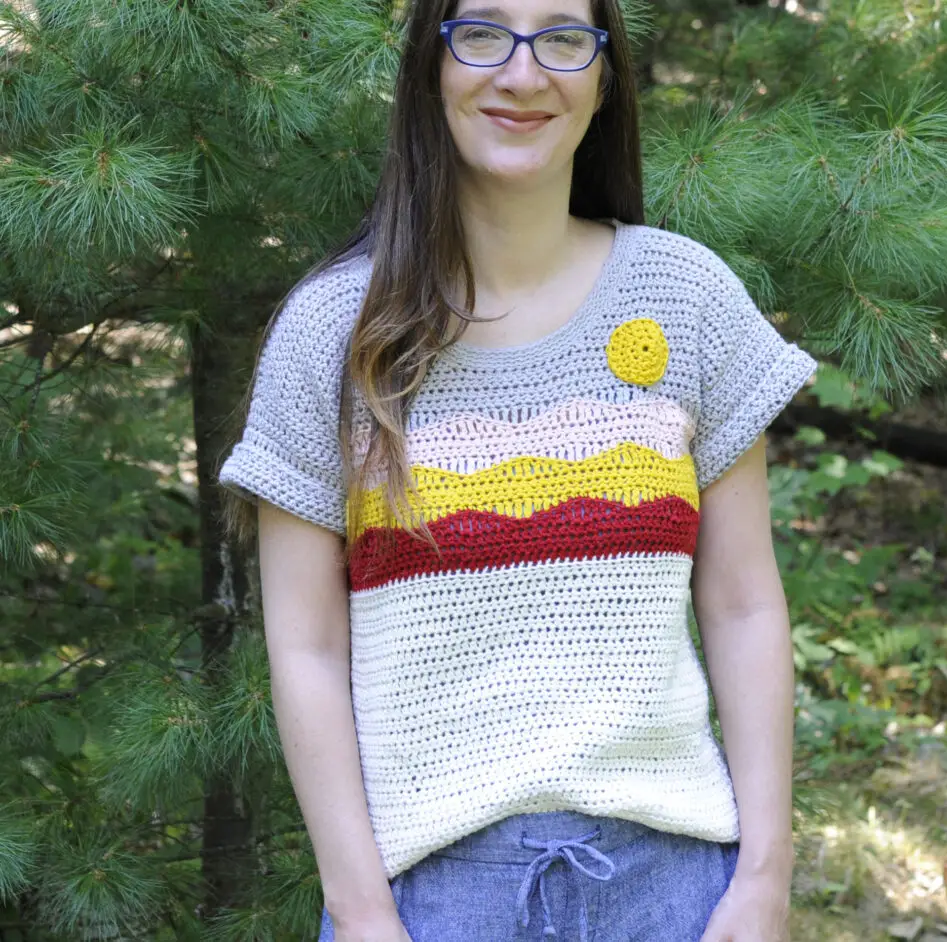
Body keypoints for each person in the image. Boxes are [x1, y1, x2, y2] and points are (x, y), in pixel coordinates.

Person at [218, 0, 817, 939]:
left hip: (677, 893)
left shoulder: (687, 298)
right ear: (431, 66)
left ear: (605, 76)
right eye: (484, 33)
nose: (524, 73)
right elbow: (305, 647)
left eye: (565, 37)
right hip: (426, 904)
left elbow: (743, 603)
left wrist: (765, 876)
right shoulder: (333, 336)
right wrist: (359, 906)